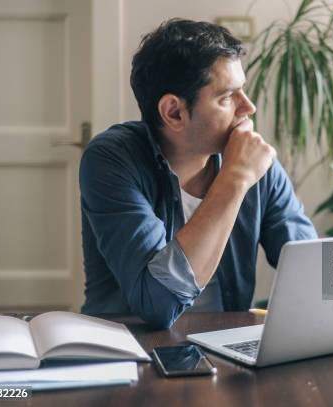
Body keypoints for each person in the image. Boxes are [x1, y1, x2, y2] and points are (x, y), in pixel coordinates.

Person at [79, 18, 317, 329]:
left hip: (225, 346)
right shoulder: (112, 160)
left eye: (243, 91)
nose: (248, 108)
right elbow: (159, 303)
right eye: (227, 96)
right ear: (174, 112)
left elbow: (311, 268)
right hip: (130, 346)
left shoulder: (253, 163)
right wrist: (235, 179)